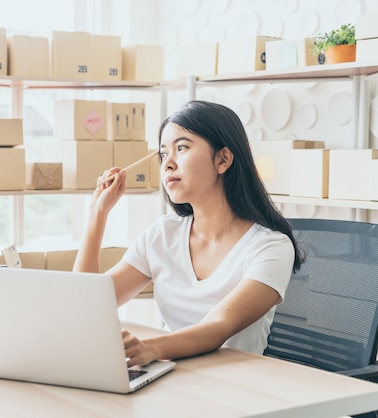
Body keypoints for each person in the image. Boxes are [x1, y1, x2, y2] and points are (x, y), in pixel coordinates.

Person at [73, 100, 304, 367]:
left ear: (223, 159)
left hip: (236, 390)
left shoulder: (271, 247)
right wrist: (96, 215)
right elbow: (86, 306)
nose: (167, 164)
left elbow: (218, 326)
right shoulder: (162, 234)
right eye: (162, 154)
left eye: (181, 148)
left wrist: (149, 349)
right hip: (171, 375)